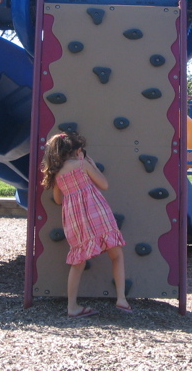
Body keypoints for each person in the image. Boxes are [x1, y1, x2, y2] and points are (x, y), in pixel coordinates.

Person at [41, 132, 131, 318]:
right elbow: (104, 184)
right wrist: (90, 164)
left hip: (75, 218)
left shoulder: (57, 173)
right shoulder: (82, 165)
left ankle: (72, 306)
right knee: (117, 255)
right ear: (75, 150)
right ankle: (121, 299)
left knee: (78, 262)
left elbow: (58, 200)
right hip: (96, 212)